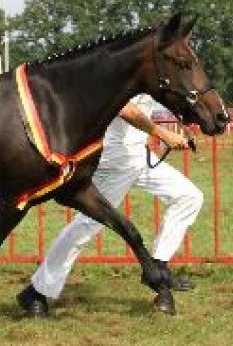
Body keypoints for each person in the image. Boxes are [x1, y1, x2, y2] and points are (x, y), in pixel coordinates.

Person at [17, 93, 202, 316]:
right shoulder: (126, 66)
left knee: (189, 196)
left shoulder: (152, 70)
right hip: (114, 163)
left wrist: (187, 122)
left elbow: (167, 96)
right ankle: (36, 291)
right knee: (86, 226)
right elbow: (127, 110)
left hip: (139, 158)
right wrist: (163, 134)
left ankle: (158, 266)